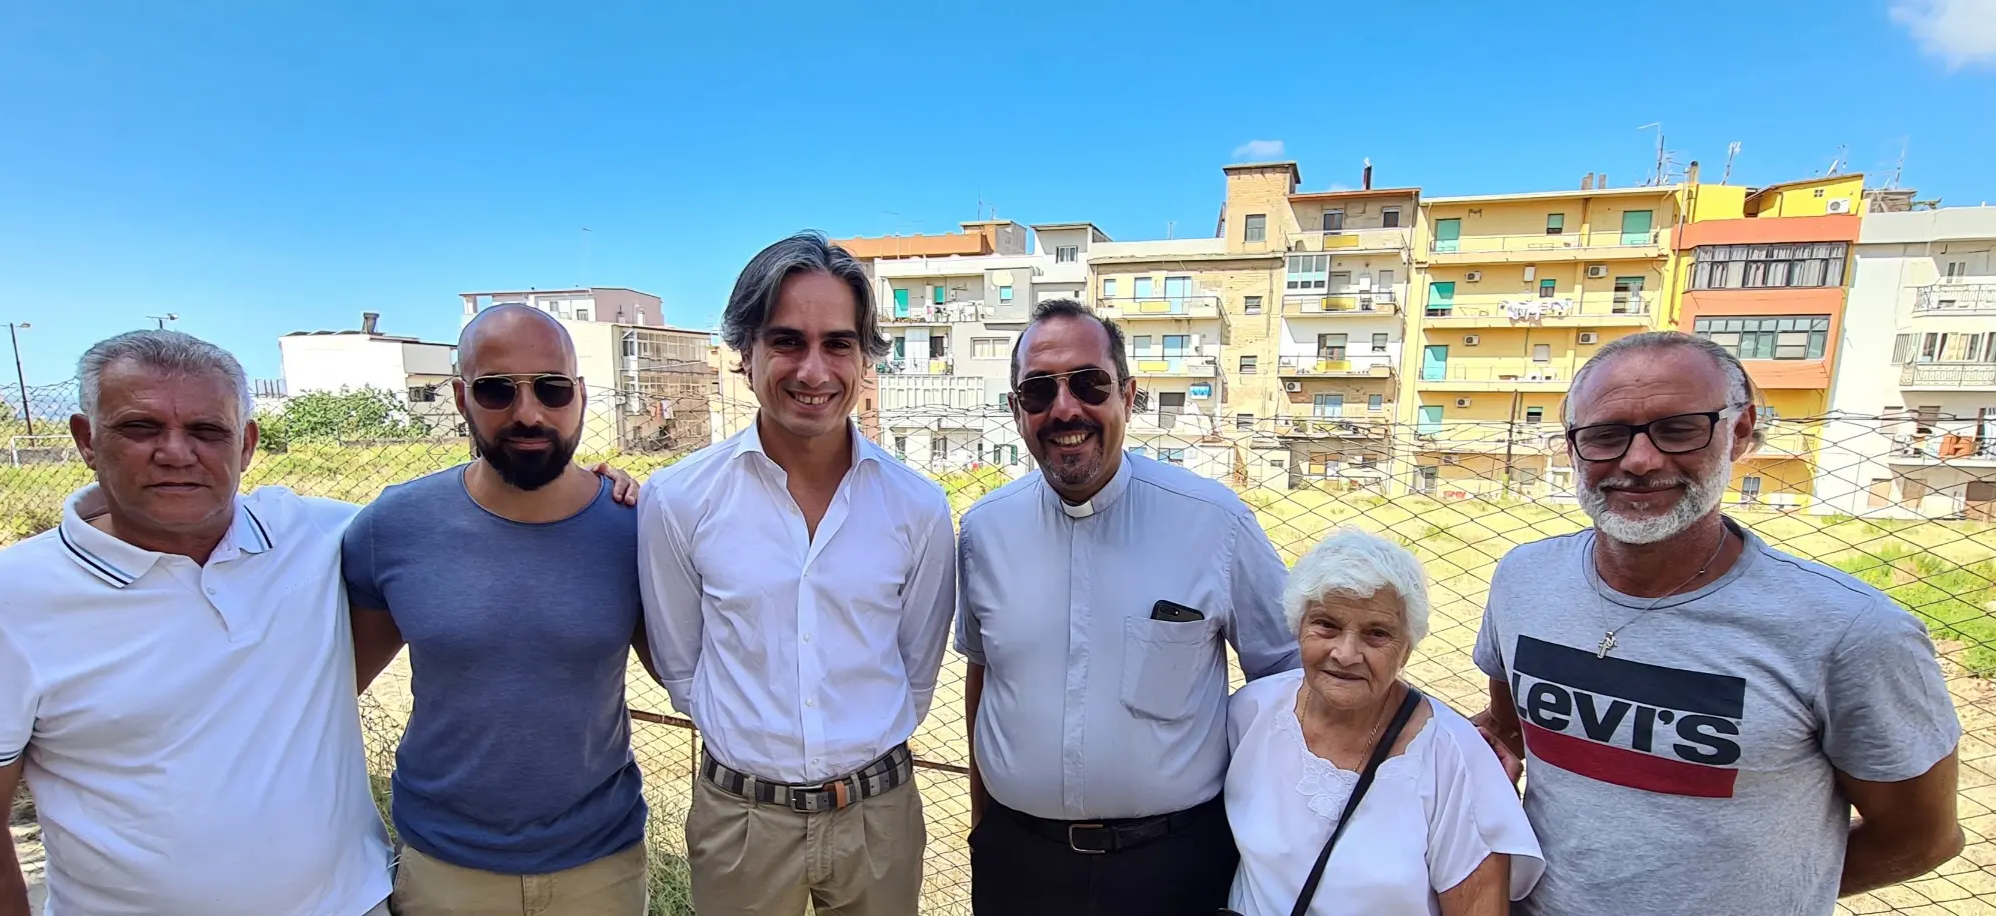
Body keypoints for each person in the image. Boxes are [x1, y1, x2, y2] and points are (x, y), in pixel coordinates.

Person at [1473, 330, 1963, 916]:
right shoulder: (1524, 581)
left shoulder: (1851, 632)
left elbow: (1924, 836)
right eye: (1605, 435)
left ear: (1741, 432)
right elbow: (1509, 731)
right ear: (1574, 449)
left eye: (1679, 428)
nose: (1639, 460)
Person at [0, 330, 393, 915]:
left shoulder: (322, 538)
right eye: (140, 428)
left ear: (245, 444)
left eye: (206, 430)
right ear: (86, 440)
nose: (175, 452)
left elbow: (459, 533)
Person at [638, 232, 957, 916]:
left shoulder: (918, 507)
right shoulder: (678, 499)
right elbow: (681, 666)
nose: (814, 371)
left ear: (864, 357)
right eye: (786, 341)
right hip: (741, 824)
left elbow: (917, 667)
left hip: (879, 819)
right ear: (744, 352)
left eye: (837, 343)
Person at [958, 298, 1299, 916]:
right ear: (1016, 411)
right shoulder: (983, 532)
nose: (1064, 408)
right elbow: (983, 678)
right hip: (1018, 867)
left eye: (1088, 383)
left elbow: (1287, 676)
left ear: (1129, 396)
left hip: (1174, 869)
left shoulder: (1215, 524)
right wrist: (985, 827)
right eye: (1038, 392)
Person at [345, 304, 656, 915]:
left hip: (602, 865)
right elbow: (333, 687)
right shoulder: (395, 527)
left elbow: (690, 677)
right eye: (495, 390)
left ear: (582, 396)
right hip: (446, 868)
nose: (528, 412)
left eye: (551, 388)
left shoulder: (638, 528)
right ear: (462, 398)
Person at [1223, 529, 1541, 916]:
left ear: (1407, 646)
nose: (1346, 653)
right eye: (1326, 625)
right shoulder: (1251, 713)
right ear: (1297, 626)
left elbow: (1478, 907)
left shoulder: (1453, 757)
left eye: (1376, 634)